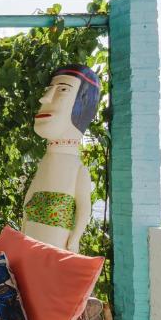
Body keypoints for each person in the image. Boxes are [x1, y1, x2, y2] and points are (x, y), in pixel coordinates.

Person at [22, 65, 101, 253]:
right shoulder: (45, 162)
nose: (45, 98)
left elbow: (84, 209)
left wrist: (74, 239)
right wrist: (24, 226)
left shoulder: (78, 169)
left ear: (83, 104)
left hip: (58, 243)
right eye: (48, 90)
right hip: (31, 237)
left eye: (63, 89)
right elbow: (29, 198)